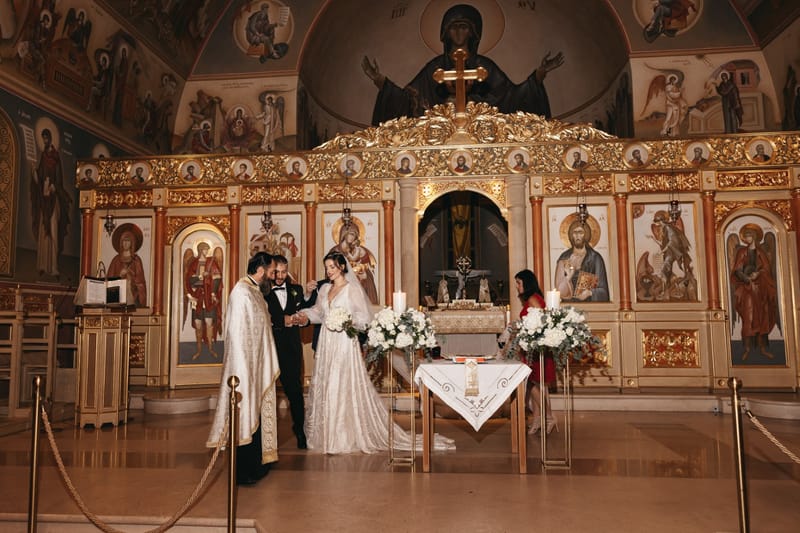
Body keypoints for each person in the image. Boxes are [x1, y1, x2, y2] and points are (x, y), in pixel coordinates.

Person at [295, 252, 455, 454]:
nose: (329, 271)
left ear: (342, 267)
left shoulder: (352, 289)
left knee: (342, 382)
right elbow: (319, 312)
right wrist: (304, 316)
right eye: (326, 267)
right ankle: (328, 434)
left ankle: (344, 435)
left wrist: (346, 321)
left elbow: (364, 319)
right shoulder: (325, 289)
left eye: (332, 267)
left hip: (344, 343)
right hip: (327, 343)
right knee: (328, 383)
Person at [361, 3, 563, 125]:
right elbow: (408, 101)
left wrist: (540, 73)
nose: (458, 32)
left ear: (473, 32)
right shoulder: (435, 68)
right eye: (454, 27)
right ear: (445, 33)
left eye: (464, 27)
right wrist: (380, 80)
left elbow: (511, 99)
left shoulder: (484, 67)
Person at [206, 252, 279, 485]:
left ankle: (259, 464)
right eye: (271, 272)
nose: (273, 276)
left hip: (256, 365)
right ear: (261, 270)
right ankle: (246, 471)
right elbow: (236, 335)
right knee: (244, 414)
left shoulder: (255, 292)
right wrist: (242, 370)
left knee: (256, 413)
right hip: (244, 369)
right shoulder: (241, 293)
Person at [265, 254, 311, 449]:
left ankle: (300, 430)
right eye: (277, 272)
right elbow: (261, 316)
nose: (280, 276)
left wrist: (304, 318)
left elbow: (306, 310)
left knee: (295, 391)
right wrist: (280, 320)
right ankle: (264, 436)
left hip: (291, 347)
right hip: (269, 347)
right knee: (266, 392)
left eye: (284, 272)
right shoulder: (262, 290)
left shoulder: (296, 289)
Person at [514, 269, 556, 435]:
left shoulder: (533, 298)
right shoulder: (532, 298)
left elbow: (543, 321)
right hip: (531, 347)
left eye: (519, 283)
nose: (517, 286)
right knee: (533, 384)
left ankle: (549, 417)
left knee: (531, 384)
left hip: (536, 348)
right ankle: (538, 419)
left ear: (526, 283)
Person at [730, 224, 778, 360]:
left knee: (763, 318)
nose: (747, 239)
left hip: (761, 289)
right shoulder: (742, 252)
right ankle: (747, 348)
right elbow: (737, 270)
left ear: (755, 237)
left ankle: (763, 348)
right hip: (747, 289)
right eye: (745, 237)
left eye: (749, 236)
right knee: (748, 317)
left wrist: (758, 274)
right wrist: (747, 278)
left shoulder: (761, 252)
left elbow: (767, 269)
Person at [31, 128, 70, 276]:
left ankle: (53, 267)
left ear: (50, 138)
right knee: (44, 231)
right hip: (44, 199)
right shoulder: (43, 156)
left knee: (53, 230)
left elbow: (59, 178)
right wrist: (35, 175)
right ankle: (42, 264)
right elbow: (40, 175)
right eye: (43, 138)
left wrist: (54, 186)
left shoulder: (56, 157)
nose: (45, 141)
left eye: (46, 138)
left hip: (53, 199)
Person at [184, 242, 223, 359]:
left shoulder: (211, 262)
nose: (207, 252)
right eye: (205, 249)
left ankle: (210, 348)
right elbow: (189, 280)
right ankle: (199, 350)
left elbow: (218, 278)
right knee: (198, 325)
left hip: (208, 298)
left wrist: (213, 291)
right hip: (197, 297)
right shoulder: (194, 263)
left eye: (207, 249)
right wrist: (201, 276)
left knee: (209, 323)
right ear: (200, 250)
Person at [554, 221, 609, 302]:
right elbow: (559, 291)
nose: (577, 236)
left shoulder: (595, 258)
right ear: (571, 235)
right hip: (568, 306)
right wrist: (568, 277)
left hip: (589, 306)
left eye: (580, 232)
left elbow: (603, 291)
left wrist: (590, 293)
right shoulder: (564, 257)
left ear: (586, 235)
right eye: (575, 233)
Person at [329, 223, 378, 304]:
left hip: (358, 290)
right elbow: (329, 273)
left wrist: (365, 275)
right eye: (351, 234)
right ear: (344, 233)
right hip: (341, 290)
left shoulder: (360, 250)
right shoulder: (335, 251)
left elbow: (367, 271)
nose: (353, 237)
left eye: (355, 235)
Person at [107, 224, 147, 307]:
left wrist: (131, 277)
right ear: (121, 242)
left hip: (133, 297)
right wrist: (120, 275)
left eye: (128, 241)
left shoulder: (136, 260)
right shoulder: (116, 260)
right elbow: (109, 280)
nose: (125, 243)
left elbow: (141, 282)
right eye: (124, 241)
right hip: (118, 297)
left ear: (132, 243)